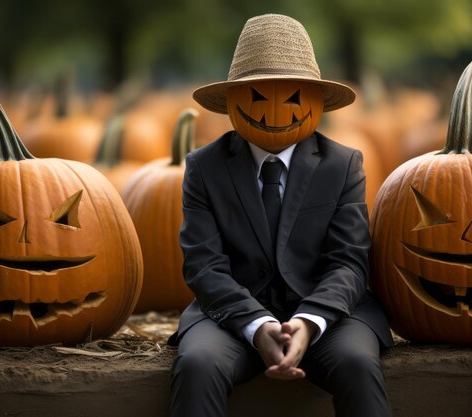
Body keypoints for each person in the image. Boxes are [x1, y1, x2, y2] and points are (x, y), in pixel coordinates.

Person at [168, 13, 393, 417]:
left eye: (293, 97)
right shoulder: (204, 167)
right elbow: (204, 265)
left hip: (329, 315)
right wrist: (256, 325)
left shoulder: (342, 165)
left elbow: (349, 261)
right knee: (198, 364)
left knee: (357, 364)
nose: (274, 109)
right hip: (231, 316)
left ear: (317, 101)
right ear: (233, 100)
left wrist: (309, 320)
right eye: (256, 95)